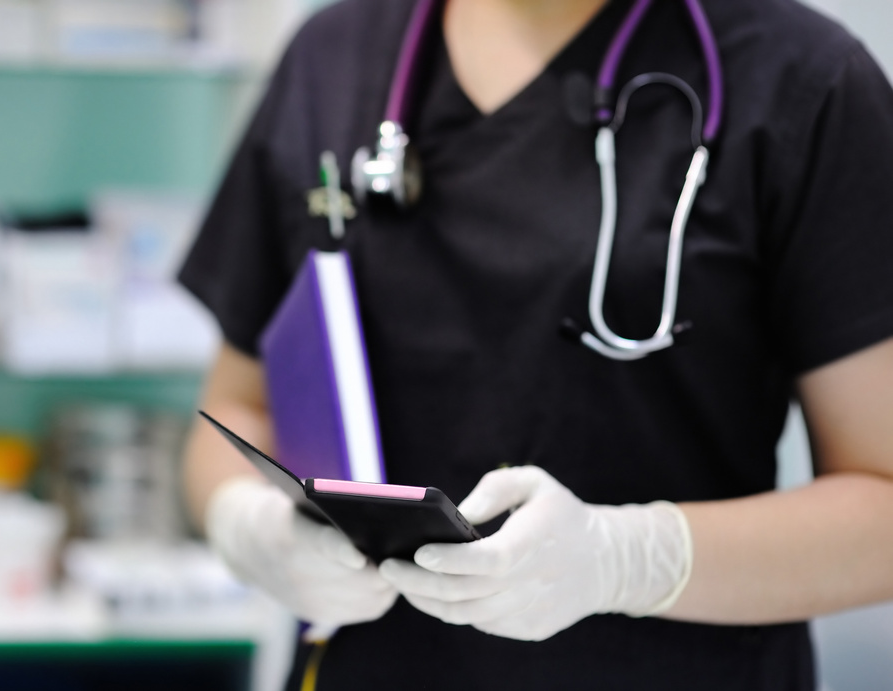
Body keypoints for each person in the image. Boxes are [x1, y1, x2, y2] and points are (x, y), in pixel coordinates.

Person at [177, 0, 893, 688]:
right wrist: (254, 528)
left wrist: (629, 558)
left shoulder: (806, 80)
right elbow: (237, 409)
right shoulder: (333, 56)